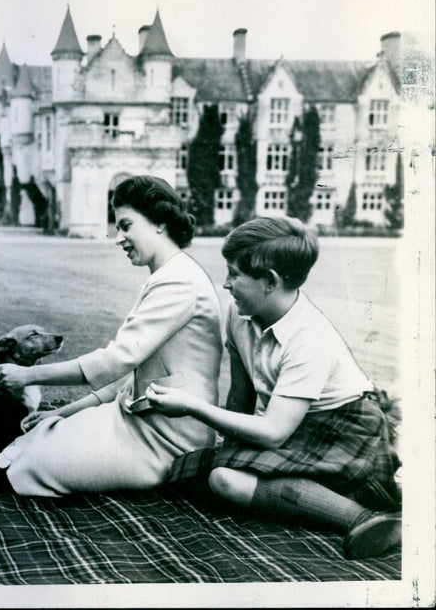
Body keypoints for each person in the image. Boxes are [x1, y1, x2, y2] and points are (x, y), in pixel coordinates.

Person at [146, 216, 402, 560]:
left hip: (347, 430)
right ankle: (323, 496)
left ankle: (365, 518)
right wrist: (232, 452)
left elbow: (273, 434)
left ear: (270, 281)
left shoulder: (309, 339)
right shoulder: (239, 314)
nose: (226, 284)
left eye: (235, 274)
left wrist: (194, 407)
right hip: (292, 426)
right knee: (191, 472)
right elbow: (241, 393)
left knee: (224, 480)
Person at [0, 175, 223, 497]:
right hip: (137, 420)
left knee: (26, 468)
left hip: (169, 440)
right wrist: (61, 411)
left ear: (160, 222)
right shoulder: (168, 275)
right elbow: (124, 376)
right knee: (37, 436)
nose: (118, 238)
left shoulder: (178, 282)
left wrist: (27, 375)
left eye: (126, 226)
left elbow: (114, 362)